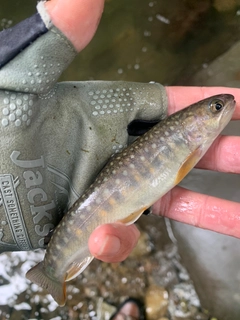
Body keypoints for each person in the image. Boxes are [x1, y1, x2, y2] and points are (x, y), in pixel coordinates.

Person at [0, 0, 240, 318]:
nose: (225, 105)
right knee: (105, 238)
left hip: (105, 201)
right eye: (216, 109)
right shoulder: (190, 142)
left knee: (109, 237)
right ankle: (53, 269)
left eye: (216, 108)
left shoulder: (193, 137)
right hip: (94, 209)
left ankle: (55, 270)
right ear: (192, 126)